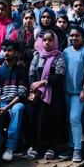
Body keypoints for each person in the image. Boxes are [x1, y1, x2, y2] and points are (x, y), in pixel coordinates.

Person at [24, 31, 68, 159]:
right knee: (35, 120)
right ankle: (35, 147)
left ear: (54, 41)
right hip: (37, 95)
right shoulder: (37, 56)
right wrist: (34, 87)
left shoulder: (59, 56)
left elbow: (59, 75)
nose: (47, 43)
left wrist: (42, 83)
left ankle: (51, 147)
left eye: (49, 40)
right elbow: (31, 74)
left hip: (53, 95)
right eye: (44, 40)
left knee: (51, 120)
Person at [0, 40, 30, 160]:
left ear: (16, 52)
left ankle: (10, 147)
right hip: (1, 103)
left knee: (18, 109)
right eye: (4, 50)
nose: (6, 53)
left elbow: (21, 95)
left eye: (9, 50)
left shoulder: (22, 70)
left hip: (15, 103)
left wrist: (6, 108)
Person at [63, 26, 84, 162]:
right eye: (71, 35)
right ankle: (71, 145)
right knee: (69, 120)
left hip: (79, 91)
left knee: (75, 118)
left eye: (77, 35)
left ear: (82, 37)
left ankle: (78, 149)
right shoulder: (66, 51)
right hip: (67, 91)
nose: (74, 38)